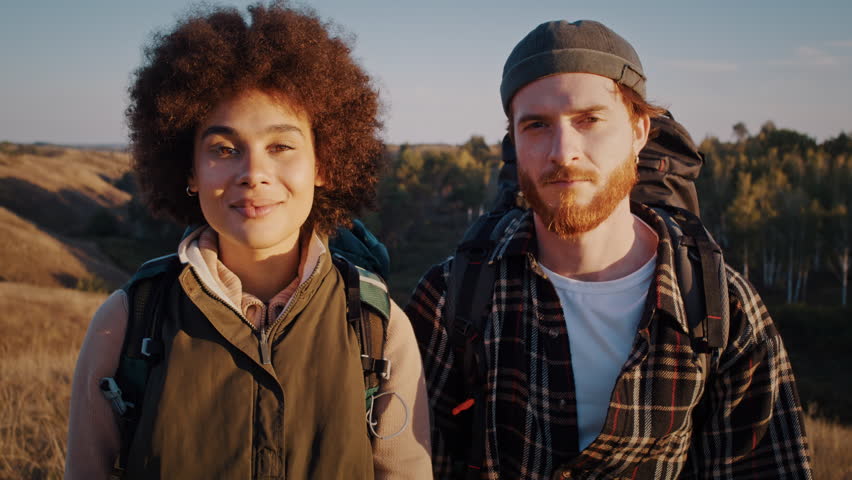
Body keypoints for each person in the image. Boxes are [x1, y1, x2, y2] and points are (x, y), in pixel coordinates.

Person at [405, 19, 812, 479]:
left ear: (639, 131)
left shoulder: (720, 308)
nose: (563, 151)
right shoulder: (452, 297)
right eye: (537, 125)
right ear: (514, 143)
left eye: (589, 119)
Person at [65, 3, 431, 479]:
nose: (254, 173)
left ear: (323, 165)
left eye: (281, 146)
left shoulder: (377, 327)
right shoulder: (126, 322)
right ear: (189, 171)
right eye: (223, 149)